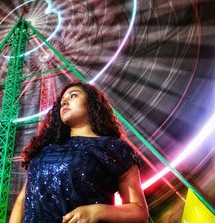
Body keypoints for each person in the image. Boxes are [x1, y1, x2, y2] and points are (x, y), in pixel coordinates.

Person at [10, 81, 148, 223]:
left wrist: (98, 211)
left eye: (73, 95)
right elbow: (23, 198)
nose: (64, 103)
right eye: (62, 102)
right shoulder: (45, 149)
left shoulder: (114, 147)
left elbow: (139, 211)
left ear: (91, 103)